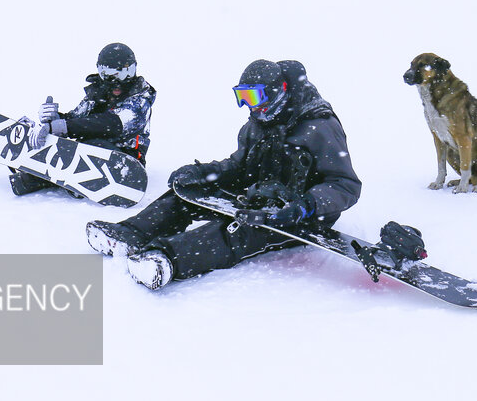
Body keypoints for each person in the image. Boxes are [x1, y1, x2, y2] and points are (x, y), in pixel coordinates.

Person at [86, 59, 361, 290]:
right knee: (187, 197)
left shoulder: (319, 127)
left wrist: (304, 206)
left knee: (241, 228)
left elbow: (345, 184)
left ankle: (166, 259)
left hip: (301, 214)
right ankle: (129, 234)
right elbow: (240, 166)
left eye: (255, 97)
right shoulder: (258, 123)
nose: (249, 106)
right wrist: (204, 173)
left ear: (279, 92)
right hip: (263, 194)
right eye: (243, 97)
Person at [8, 42, 156, 196]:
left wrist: (63, 125)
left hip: (126, 162)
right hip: (88, 152)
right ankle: (29, 171)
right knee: (70, 143)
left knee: (90, 145)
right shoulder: (98, 94)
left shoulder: (140, 99)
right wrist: (55, 119)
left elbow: (112, 124)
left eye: (123, 73)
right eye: (107, 74)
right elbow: (76, 119)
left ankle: (60, 175)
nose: (115, 81)